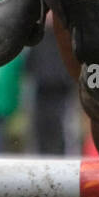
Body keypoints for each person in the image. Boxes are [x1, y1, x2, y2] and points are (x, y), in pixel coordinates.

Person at [26, 13, 75, 154]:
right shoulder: (38, 38)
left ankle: (61, 155)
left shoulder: (65, 38)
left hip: (61, 91)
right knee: (40, 126)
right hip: (41, 89)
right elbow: (30, 63)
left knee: (61, 126)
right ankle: (43, 155)